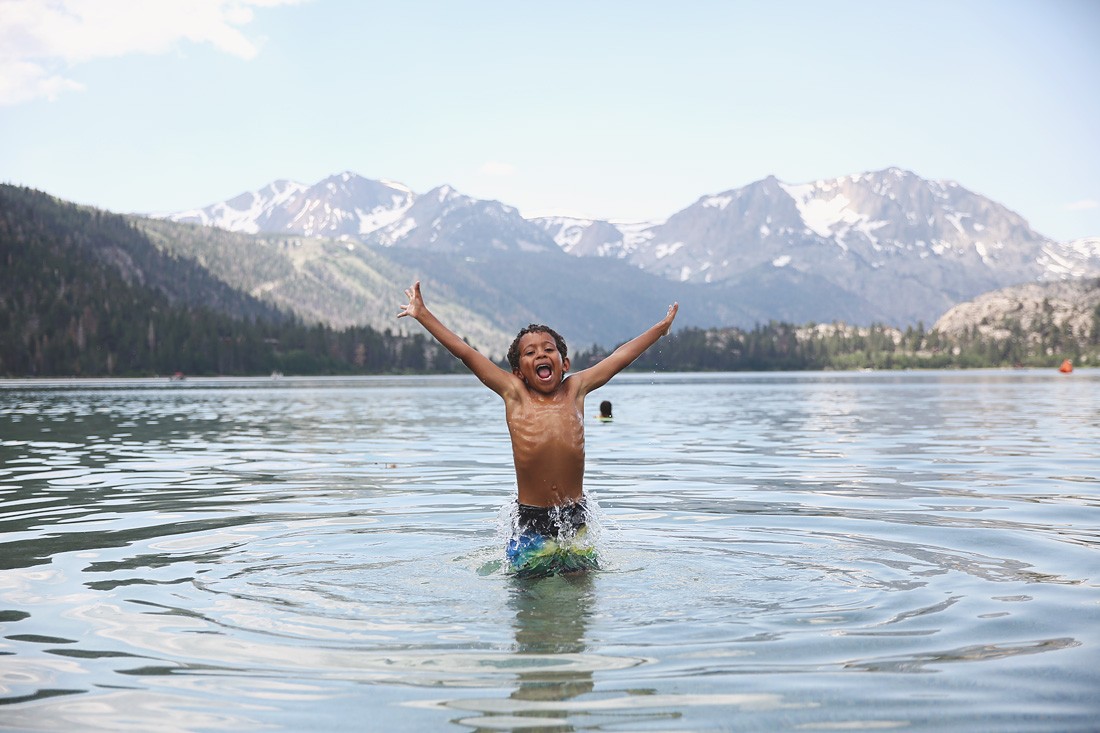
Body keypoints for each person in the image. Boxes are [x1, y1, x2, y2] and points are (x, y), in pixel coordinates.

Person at [398, 280, 678, 577]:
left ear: (564, 362)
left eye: (549, 349)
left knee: (580, 597)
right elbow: (466, 353)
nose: (541, 355)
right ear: (518, 371)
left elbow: (620, 357)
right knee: (529, 598)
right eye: (530, 353)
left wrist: (658, 330)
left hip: (575, 517)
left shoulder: (576, 390)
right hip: (531, 521)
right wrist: (423, 314)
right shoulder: (514, 393)